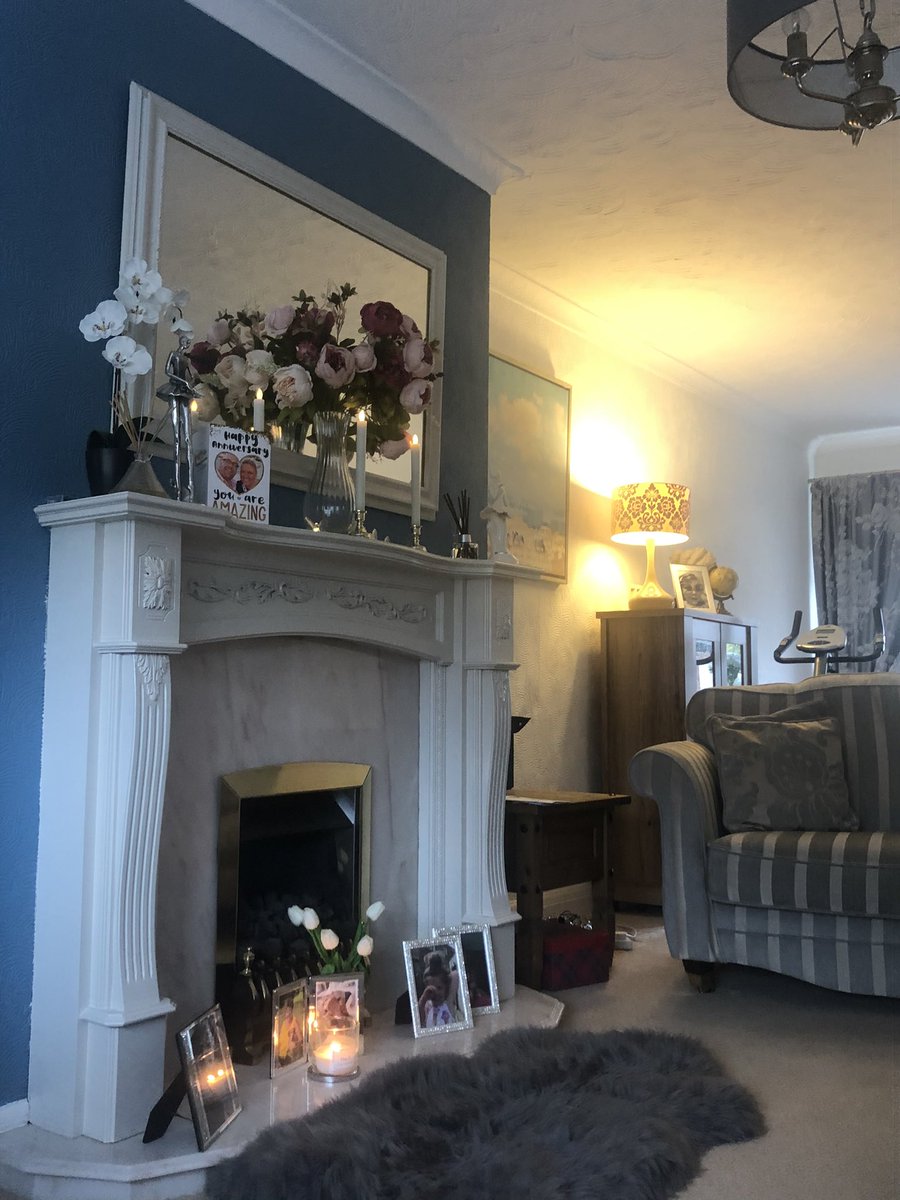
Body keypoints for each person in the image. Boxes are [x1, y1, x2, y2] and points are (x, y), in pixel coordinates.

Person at [418, 951, 454, 1028]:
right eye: (431, 988)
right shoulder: (427, 1006)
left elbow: (454, 975)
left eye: (439, 988)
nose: (436, 992)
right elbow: (421, 1024)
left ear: (446, 988)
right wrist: (423, 999)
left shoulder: (448, 1005)